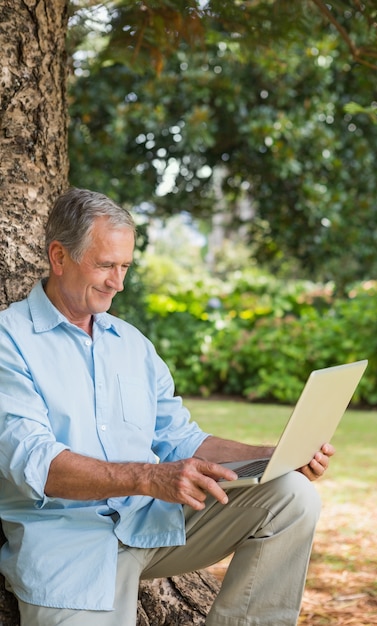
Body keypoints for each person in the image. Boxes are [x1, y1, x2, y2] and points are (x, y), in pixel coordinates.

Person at [0, 187, 334, 626]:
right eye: (105, 265)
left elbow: (181, 439)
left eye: (124, 267)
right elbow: (36, 465)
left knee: (291, 496)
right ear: (59, 257)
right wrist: (149, 477)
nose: (117, 283)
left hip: (149, 524)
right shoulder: (9, 342)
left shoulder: (132, 345)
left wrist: (274, 457)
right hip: (69, 549)